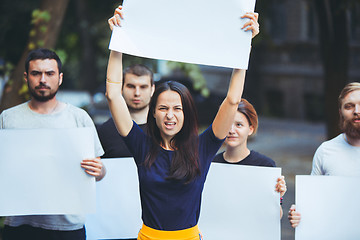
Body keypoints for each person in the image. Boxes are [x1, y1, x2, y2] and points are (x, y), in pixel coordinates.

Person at [106, 6, 259, 240]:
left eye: (177, 109)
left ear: (186, 113)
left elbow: (232, 100)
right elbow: (113, 95)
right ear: (153, 113)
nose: (170, 115)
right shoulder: (141, 144)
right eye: (163, 108)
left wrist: (243, 45)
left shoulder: (203, 146)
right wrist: (118, 40)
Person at [0, 48, 105, 240]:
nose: (42, 80)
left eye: (49, 73)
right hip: (19, 225)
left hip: (67, 227)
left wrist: (99, 170)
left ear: (60, 78)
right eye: (36, 73)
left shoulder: (79, 118)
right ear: (26, 77)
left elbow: (99, 172)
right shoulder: (7, 118)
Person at [288, 82, 360, 228]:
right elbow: (312, 202)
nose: (356, 111)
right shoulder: (326, 151)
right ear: (340, 112)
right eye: (349, 106)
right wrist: (298, 215)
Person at [213, 98, 287, 218]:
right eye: (227, 124)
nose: (231, 130)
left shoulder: (265, 166)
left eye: (239, 125)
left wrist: (277, 196)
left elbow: (276, 217)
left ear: (250, 129)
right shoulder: (211, 165)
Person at [97, 64, 155, 158]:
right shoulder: (105, 130)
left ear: (152, 89)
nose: (137, 93)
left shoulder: (164, 129)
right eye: (131, 86)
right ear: (121, 89)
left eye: (143, 87)